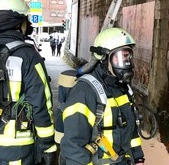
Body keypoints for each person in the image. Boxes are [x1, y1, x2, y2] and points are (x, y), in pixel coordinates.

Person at [0, 0, 57, 165]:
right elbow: (41, 103)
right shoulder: (28, 56)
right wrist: (48, 144)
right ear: (21, 23)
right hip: (16, 149)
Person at [60, 27, 145, 165]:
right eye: (119, 58)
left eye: (127, 56)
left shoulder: (123, 89)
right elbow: (73, 148)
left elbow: (131, 130)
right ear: (103, 58)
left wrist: (138, 157)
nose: (127, 64)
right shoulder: (85, 92)